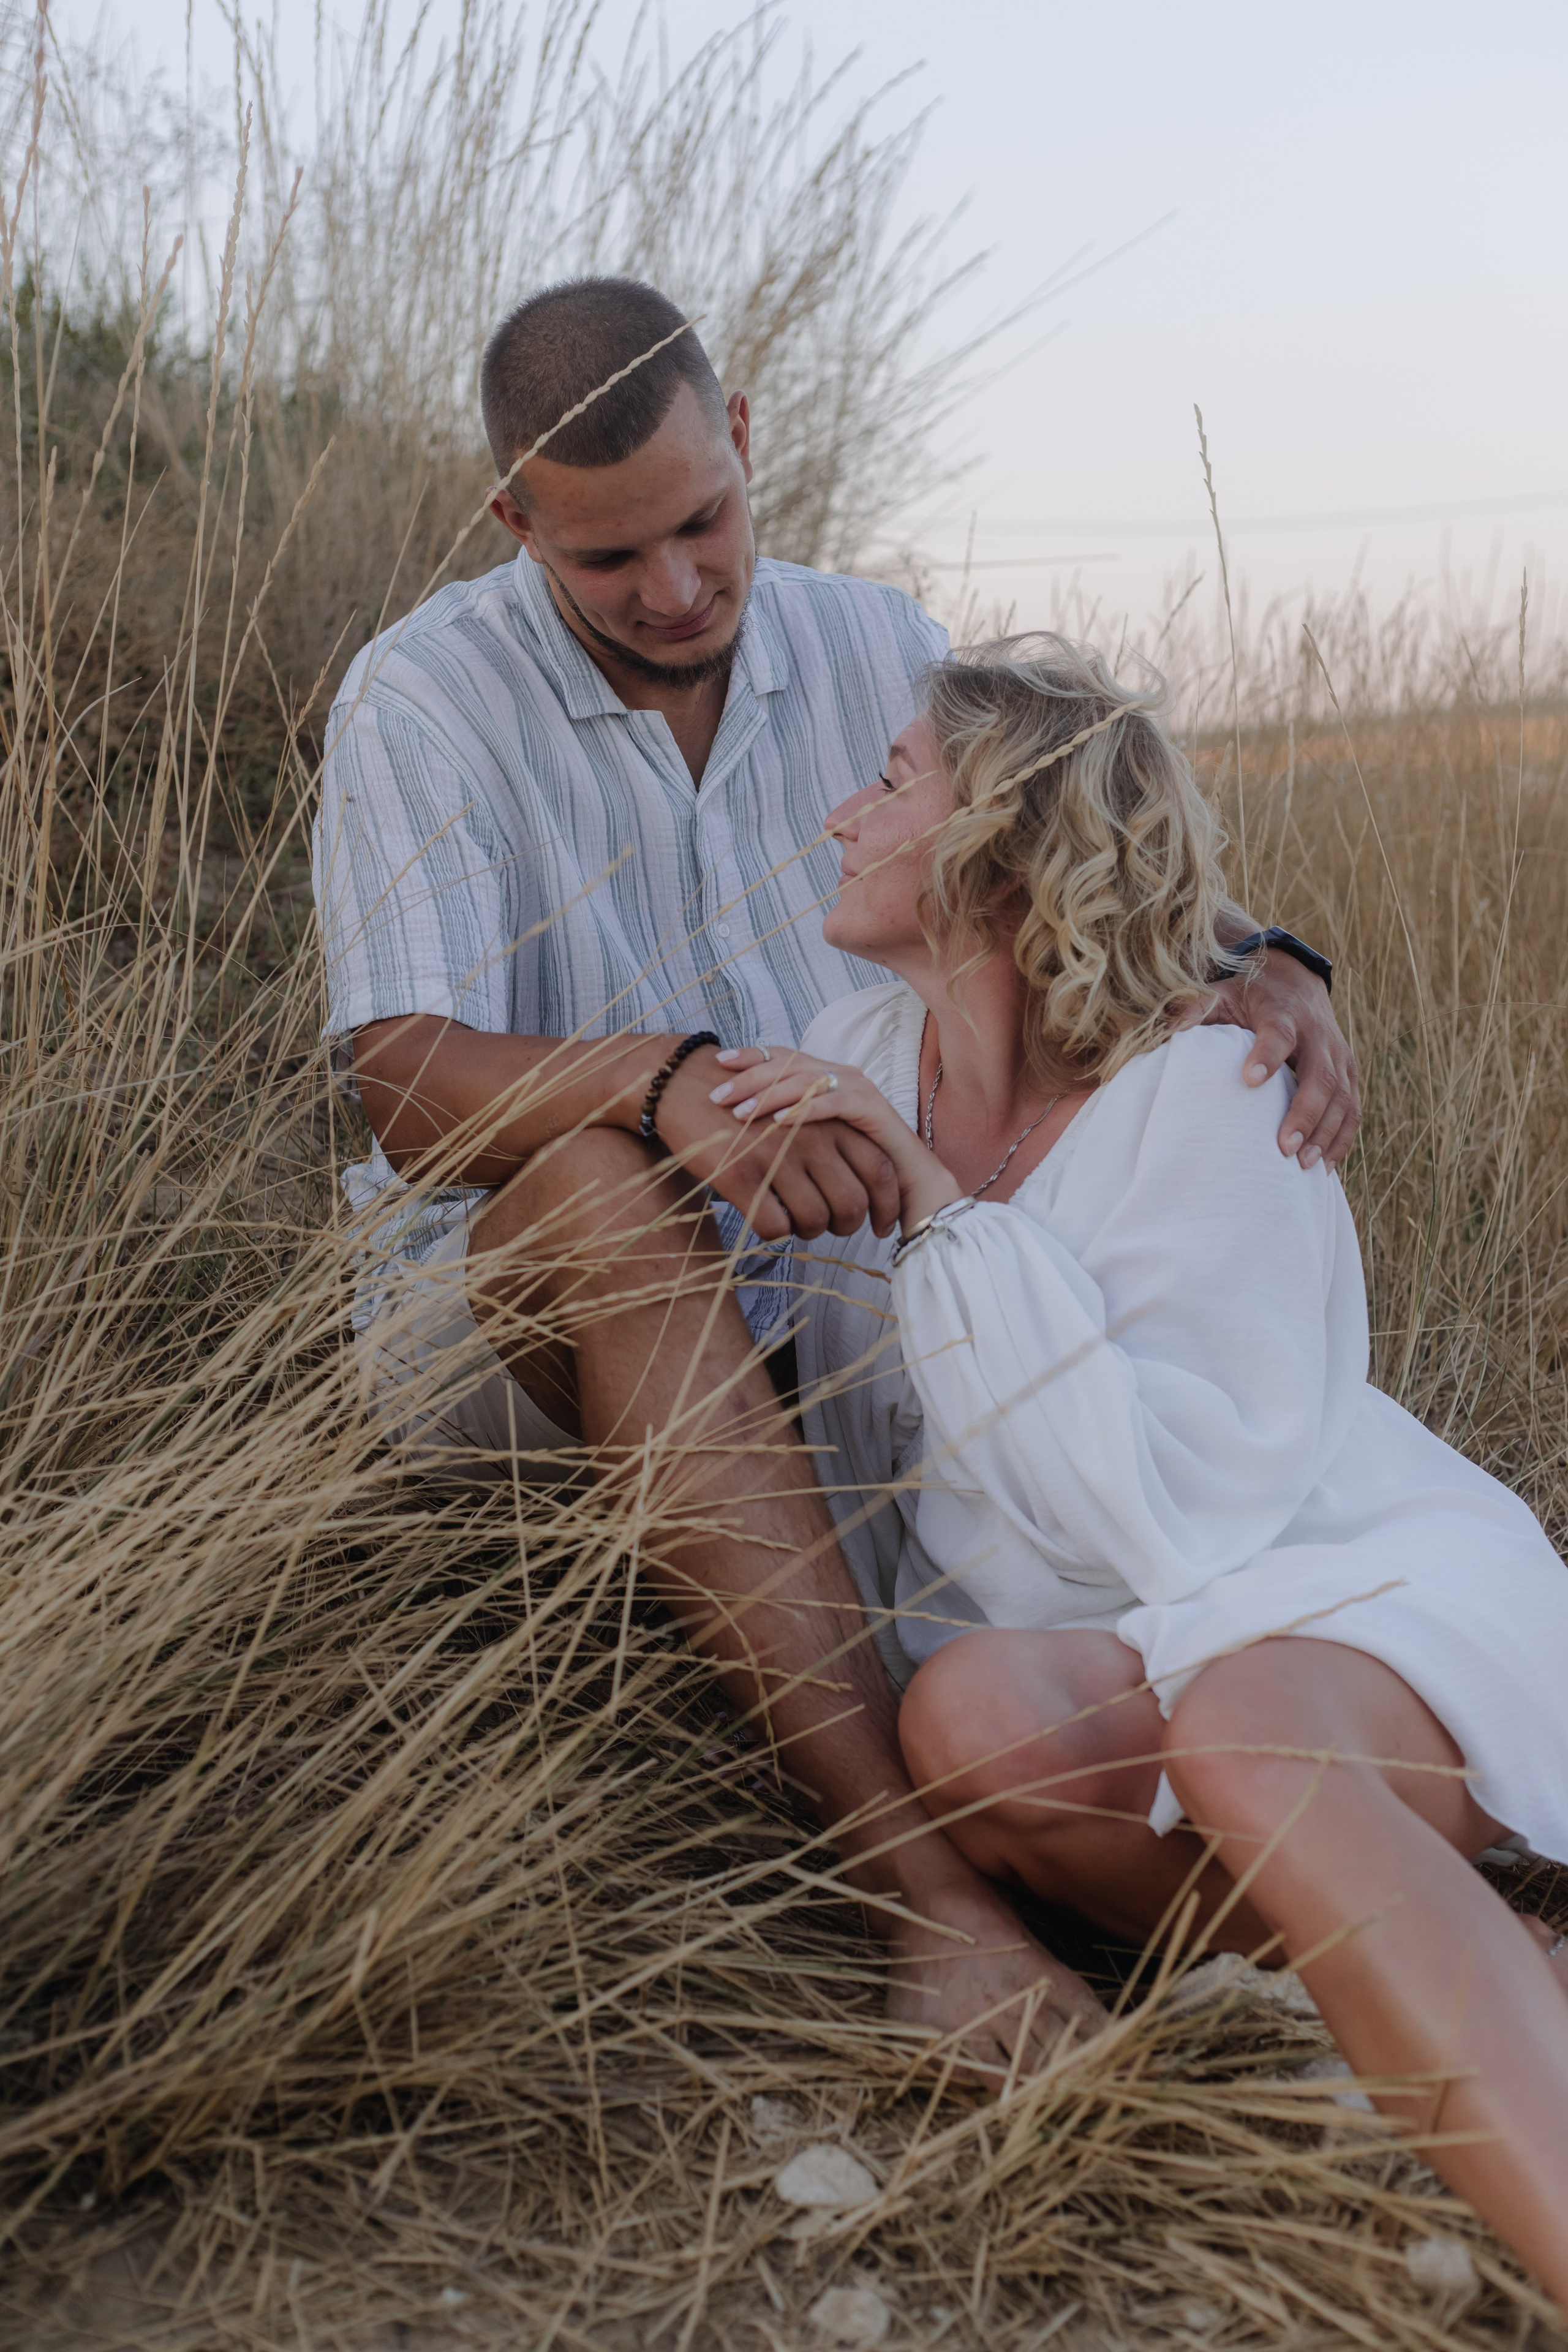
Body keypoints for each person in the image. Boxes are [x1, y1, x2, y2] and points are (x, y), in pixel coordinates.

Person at [311, 274, 1359, 2071]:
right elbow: (398, 1073)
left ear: (748, 446)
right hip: (500, 1320)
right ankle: (924, 1905)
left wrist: (1270, 962)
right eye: (608, 560)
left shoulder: (881, 639)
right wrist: (663, 1088)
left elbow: (1058, 860)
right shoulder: (423, 696)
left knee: (1182, 1132)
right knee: (596, 1192)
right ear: (515, 524)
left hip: (834, 1302)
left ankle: (1271, 1819)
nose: (676, 589)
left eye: (704, 524)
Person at [706, 632, 1568, 2304]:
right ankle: (1473, 1959)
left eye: (890, 783)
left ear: (998, 851)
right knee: (963, 1724)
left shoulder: (1217, 1090)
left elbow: (1178, 1519)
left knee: (1243, 1731)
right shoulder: (856, 1054)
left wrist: (942, 1216)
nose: (838, 814)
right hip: (1104, 1639)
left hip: (1319, 1582)